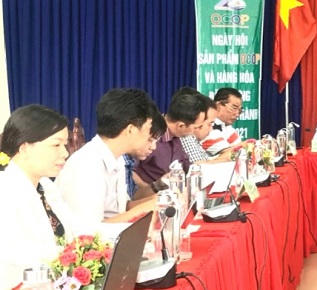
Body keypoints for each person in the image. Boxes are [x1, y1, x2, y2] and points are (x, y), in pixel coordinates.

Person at [0, 105, 88, 288]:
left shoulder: (46, 186)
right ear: (24, 148)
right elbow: (18, 270)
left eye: (64, 145)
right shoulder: (6, 195)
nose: (65, 153)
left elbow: (76, 231)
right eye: (56, 145)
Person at [57, 88, 159, 224]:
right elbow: (88, 231)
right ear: (131, 130)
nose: (151, 142)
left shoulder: (118, 159)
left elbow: (121, 209)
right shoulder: (86, 165)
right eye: (148, 129)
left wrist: (158, 201)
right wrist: (145, 207)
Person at [134, 88, 208, 186]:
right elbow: (130, 170)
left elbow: (187, 166)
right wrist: (147, 189)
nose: (196, 131)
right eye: (195, 127)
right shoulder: (150, 134)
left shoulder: (178, 137)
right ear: (181, 125)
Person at [200, 87, 244, 156]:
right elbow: (229, 154)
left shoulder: (228, 128)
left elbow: (241, 149)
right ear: (218, 105)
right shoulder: (207, 126)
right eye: (234, 108)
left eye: (240, 110)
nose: (237, 114)